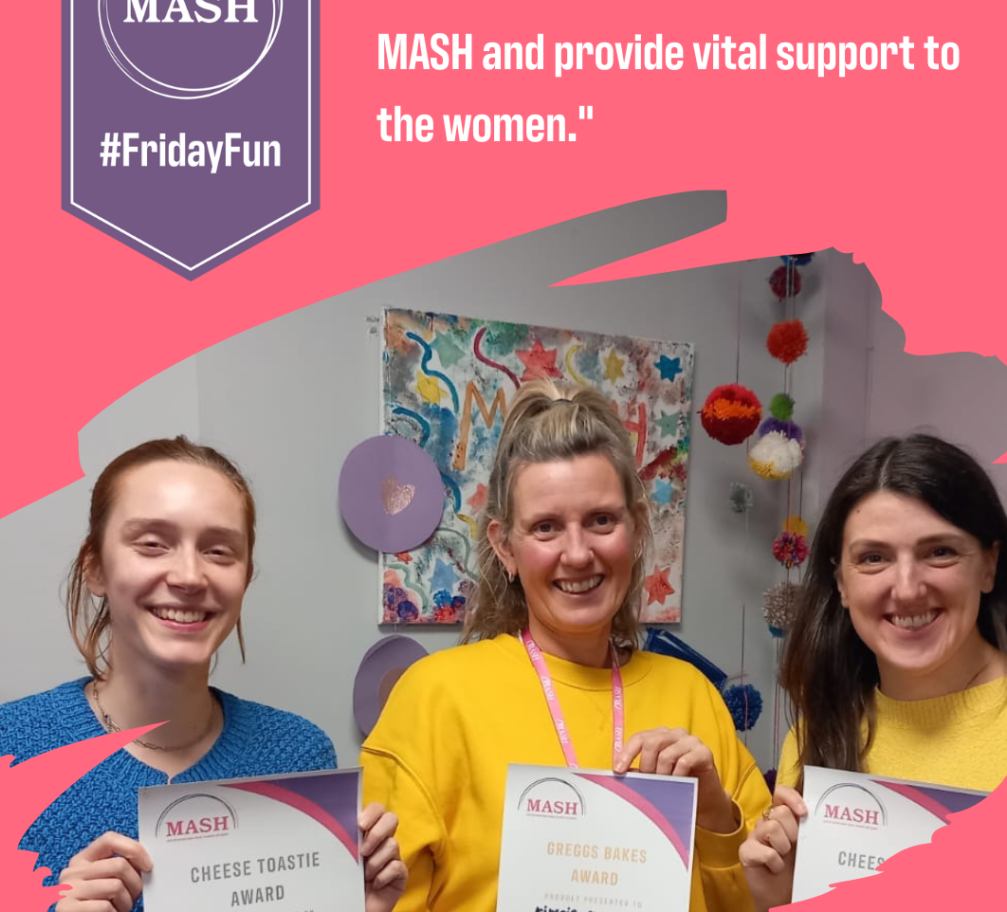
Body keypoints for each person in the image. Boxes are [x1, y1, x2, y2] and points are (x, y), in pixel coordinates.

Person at [361, 380, 772, 912]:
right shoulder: (434, 699)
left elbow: (763, 900)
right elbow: (377, 900)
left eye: (601, 520)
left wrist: (716, 818)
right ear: (506, 547)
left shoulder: (693, 699)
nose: (577, 554)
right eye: (547, 527)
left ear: (637, 528)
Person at [0, 437, 407, 912]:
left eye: (219, 551)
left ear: (245, 578)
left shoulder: (299, 753)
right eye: (152, 544)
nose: (189, 576)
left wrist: (357, 907)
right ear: (95, 567)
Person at [739, 434, 1007, 911]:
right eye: (873, 558)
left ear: (988, 565)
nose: (905, 589)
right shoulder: (816, 735)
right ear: (841, 582)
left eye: (939, 551)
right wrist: (779, 899)